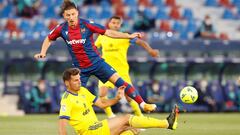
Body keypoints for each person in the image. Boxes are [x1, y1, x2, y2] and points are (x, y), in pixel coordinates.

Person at [34, 1, 156, 112]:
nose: (71, 18)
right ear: (64, 16)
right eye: (68, 15)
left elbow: (108, 32)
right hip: (80, 69)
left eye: (73, 14)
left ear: (77, 13)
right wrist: (43, 52)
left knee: (120, 82)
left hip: (97, 63)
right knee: (75, 95)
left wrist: (128, 36)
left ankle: (143, 104)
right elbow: (49, 38)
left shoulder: (86, 24)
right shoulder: (61, 28)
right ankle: (82, 119)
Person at [58, 68, 179, 135]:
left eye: (79, 79)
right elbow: (62, 125)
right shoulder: (66, 100)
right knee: (126, 119)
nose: (79, 82)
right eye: (75, 80)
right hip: (88, 132)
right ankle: (167, 123)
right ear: (67, 83)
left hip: (96, 127)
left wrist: (117, 98)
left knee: (130, 131)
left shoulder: (83, 91)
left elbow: (102, 104)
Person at [95, 16, 159, 117]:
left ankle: (140, 116)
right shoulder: (102, 37)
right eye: (113, 22)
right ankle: (111, 116)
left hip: (121, 71)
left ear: (120, 25)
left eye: (117, 23)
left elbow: (140, 42)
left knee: (129, 97)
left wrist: (150, 50)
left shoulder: (125, 36)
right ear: (109, 23)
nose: (115, 25)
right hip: (106, 70)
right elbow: (94, 47)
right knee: (102, 94)